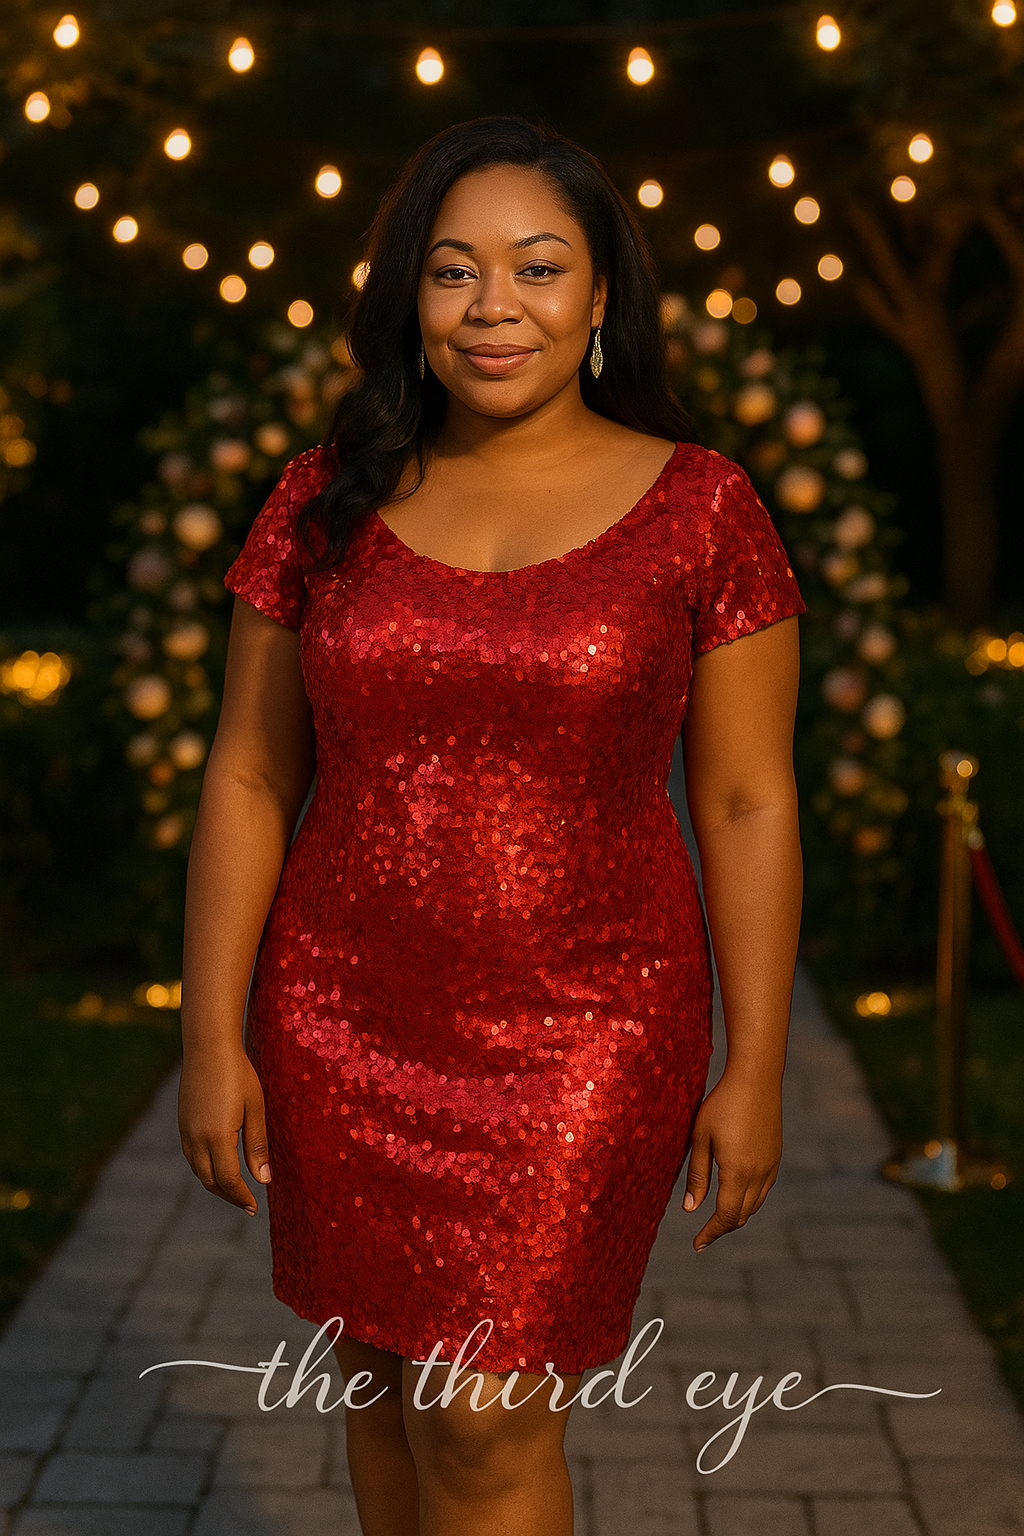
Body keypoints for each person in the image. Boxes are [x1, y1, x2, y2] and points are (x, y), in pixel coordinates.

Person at [177, 115, 805, 1536]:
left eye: (537, 268)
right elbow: (249, 777)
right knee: (385, 1394)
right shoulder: (323, 500)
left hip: (591, 1028)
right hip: (340, 1013)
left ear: (599, 300)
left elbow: (750, 797)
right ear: (410, 295)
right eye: (455, 271)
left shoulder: (700, 508)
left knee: (477, 1416)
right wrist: (212, 1035)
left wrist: (757, 1063)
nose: (494, 306)